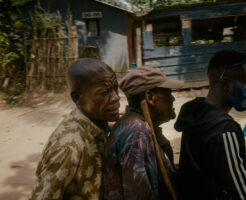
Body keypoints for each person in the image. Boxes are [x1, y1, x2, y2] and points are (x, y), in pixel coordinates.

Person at [174, 50, 246, 200]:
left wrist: (242, 158)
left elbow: (208, 161)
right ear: (226, 84)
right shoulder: (225, 130)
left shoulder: (195, 113)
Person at [30, 58, 120, 200]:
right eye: (105, 93)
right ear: (78, 98)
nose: (116, 98)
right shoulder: (68, 147)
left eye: (116, 88)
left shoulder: (96, 124)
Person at [103, 66, 184, 200]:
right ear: (150, 97)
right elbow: (138, 194)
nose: (173, 99)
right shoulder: (137, 132)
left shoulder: (137, 124)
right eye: (168, 93)